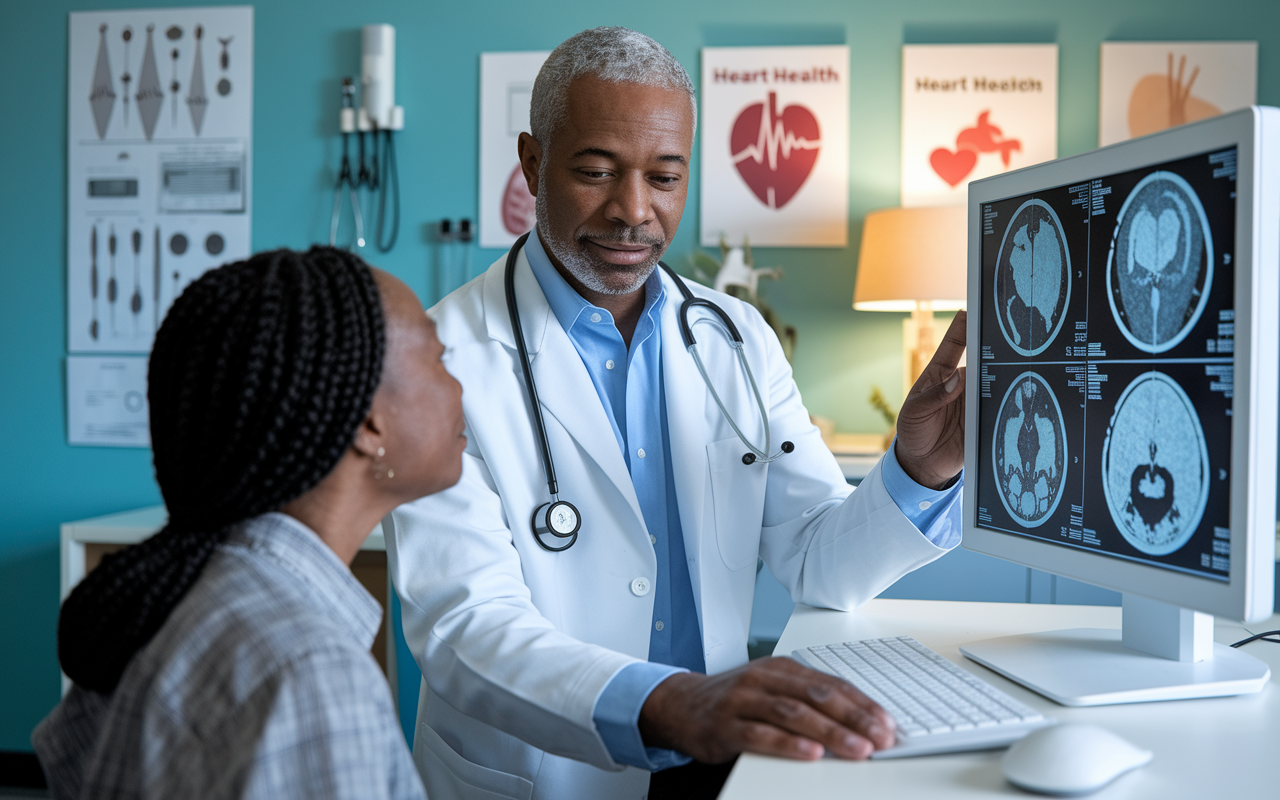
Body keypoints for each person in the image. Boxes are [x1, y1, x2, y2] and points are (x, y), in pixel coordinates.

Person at [387, 27, 966, 800]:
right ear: (531, 164)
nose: (634, 211)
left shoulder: (736, 337)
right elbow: (466, 628)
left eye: (665, 177)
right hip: (548, 773)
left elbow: (821, 564)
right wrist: (667, 703)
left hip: (717, 758)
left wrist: (922, 472)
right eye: (596, 171)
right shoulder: (442, 358)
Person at [33, 247, 466, 799]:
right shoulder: (312, 672)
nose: (458, 387)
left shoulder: (178, 598)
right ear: (368, 422)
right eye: (439, 358)